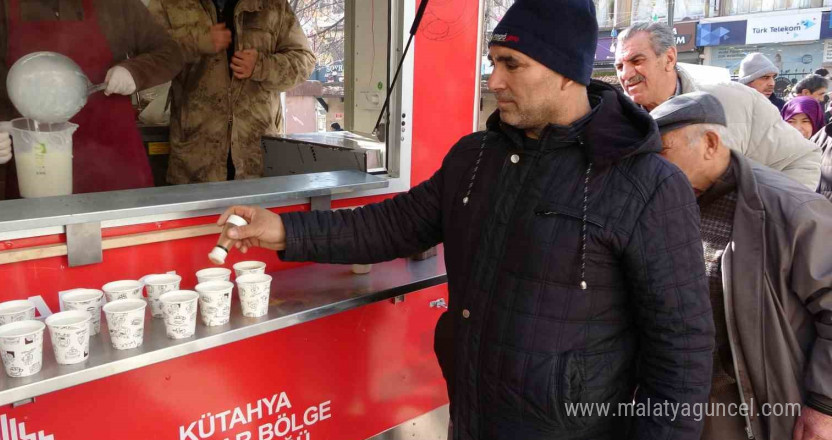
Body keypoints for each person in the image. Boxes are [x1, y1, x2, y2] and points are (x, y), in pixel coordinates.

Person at [215, 2, 713, 439]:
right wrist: (282, 229)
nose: (493, 81)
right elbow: (392, 225)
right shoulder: (476, 158)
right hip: (474, 414)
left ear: (568, 71)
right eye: (493, 62)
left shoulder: (645, 184)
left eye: (511, 64)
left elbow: (681, 355)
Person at [651, 91, 832, 440]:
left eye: (661, 154)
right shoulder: (672, 201)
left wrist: (824, 406)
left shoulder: (792, 212)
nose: (651, 168)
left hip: (764, 406)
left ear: (709, 142)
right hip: (689, 403)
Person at [0, 0, 183, 196]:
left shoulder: (114, 4)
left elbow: (169, 52)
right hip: (39, 166)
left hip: (117, 168)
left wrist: (135, 71)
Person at [614, 22, 821, 188]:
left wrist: (763, 224)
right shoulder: (612, 122)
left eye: (637, 61)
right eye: (620, 66)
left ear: (669, 58)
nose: (626, 74)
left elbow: (801, 160)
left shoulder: (735, 100)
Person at [150, 0, 316, 184]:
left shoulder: (271, 4)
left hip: (256, 163)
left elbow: (304, 61)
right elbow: (146, 58)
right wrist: (196, 42)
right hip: (194, 165)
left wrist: (261, 66)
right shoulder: (170, 4)